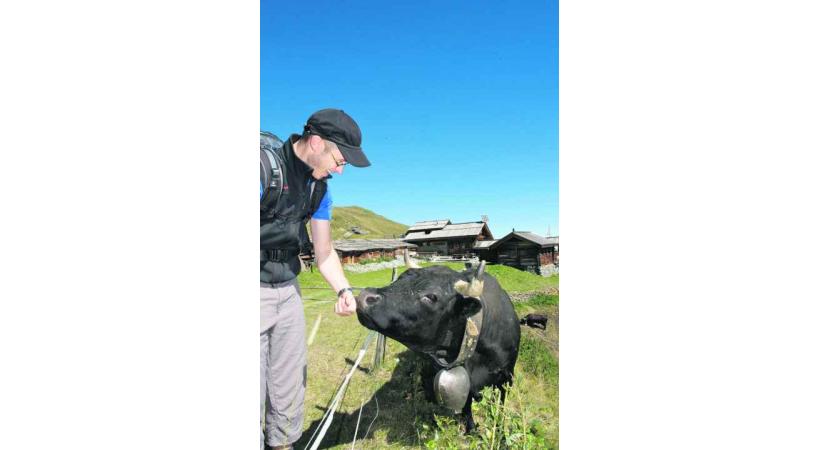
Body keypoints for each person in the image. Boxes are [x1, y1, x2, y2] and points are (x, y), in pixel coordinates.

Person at [259, 109, 371, 450]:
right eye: (339, 160)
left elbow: (323, 252)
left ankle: (282, 445)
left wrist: (343, 288)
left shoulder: (319, 190)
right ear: (317, 142)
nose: (340, 169)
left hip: (289, 290)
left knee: (290, 384)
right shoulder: (262, 170)